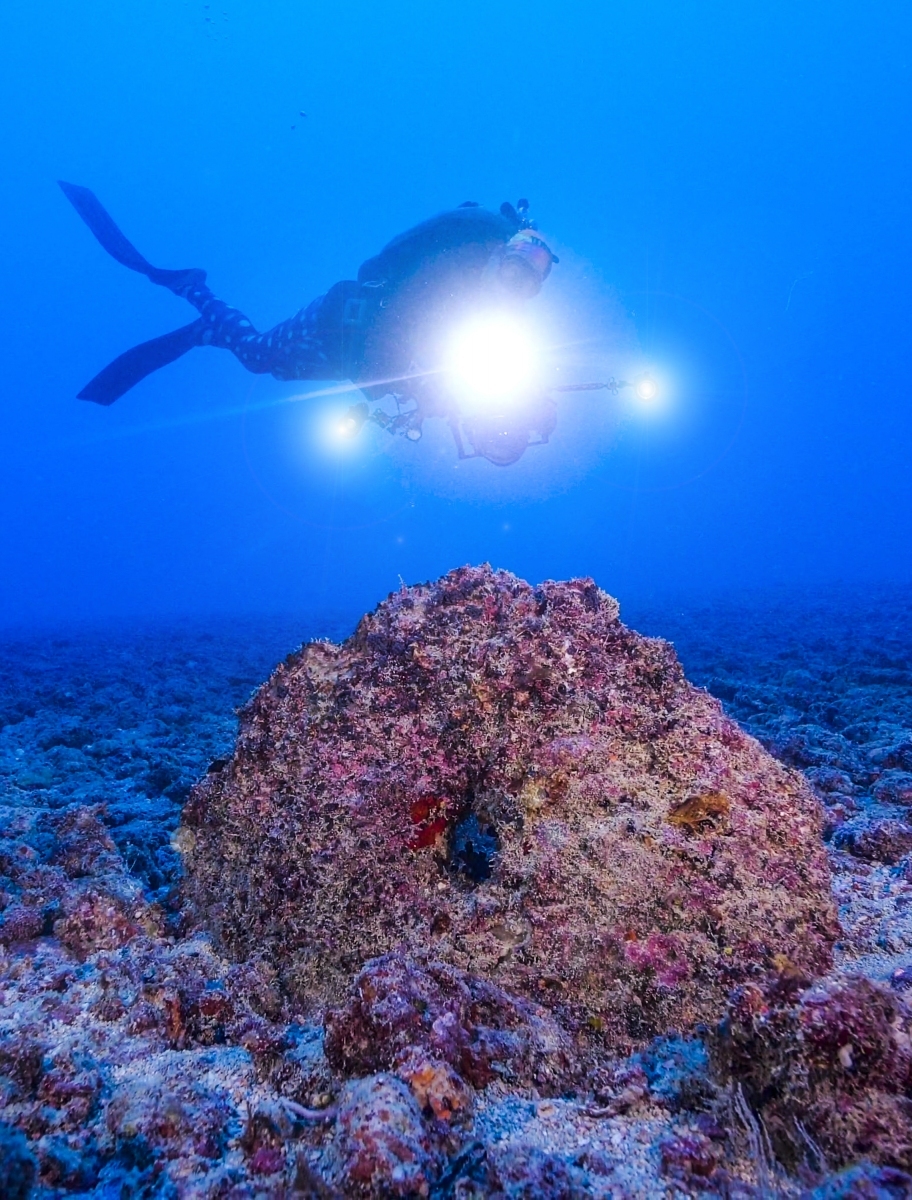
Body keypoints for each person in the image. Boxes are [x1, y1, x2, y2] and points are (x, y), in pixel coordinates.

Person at [59, 183, 558, 416]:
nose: (514, 286)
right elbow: (401, 292)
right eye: (514, 269)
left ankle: (207, 330)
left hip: (353, 359)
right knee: (257, 355)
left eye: (527, 285)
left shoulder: (483, 314)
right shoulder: (451, 272)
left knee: (272, 369)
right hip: (336, 322)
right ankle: (194, 290)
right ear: (500, 254)